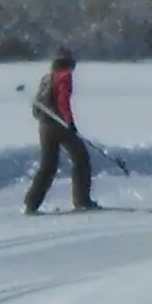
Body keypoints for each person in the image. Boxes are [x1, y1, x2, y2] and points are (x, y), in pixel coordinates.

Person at [23, 47, 97, 213]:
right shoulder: (65, 77)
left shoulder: (48, 77)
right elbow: (63, 101)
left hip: (44, 125)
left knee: (48, 165)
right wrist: (69, 123)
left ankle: (31, 202)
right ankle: (82, 200)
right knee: (81, 159)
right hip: (59, 125)